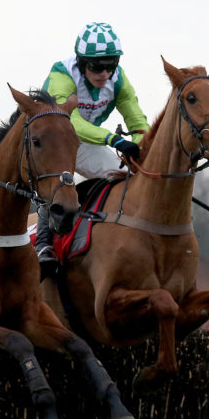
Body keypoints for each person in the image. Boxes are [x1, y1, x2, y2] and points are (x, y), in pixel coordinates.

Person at [36, 21, 150, 274]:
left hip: (85, 142)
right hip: (51, 143)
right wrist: (112, 139)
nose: (105, 74)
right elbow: (71, 122)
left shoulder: (119, 81)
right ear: (80, 61)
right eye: (97, 67)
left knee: (126, 178)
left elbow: (138, 122)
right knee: (58, 183)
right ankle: (43, 244)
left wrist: (144, 149)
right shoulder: (61, 75)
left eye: (111, 66)